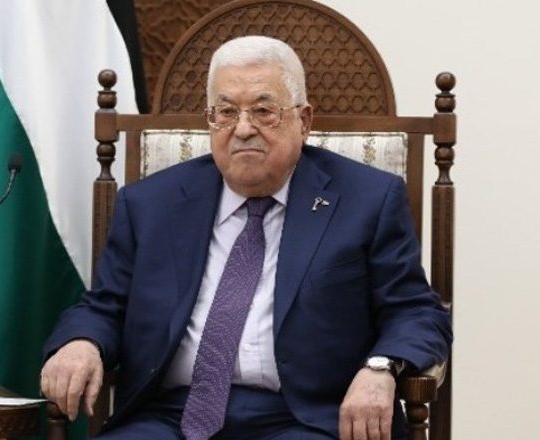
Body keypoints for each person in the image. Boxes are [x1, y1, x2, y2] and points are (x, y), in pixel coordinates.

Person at [41, 36, 452, 440]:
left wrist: (381, 367)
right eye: (225, 112)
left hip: (305, 419)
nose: (242, 129)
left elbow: (416, 311)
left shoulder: (367, 200)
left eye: (263, 111)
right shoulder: (150, 203)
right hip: (168, 416)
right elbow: (105, 305)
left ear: (304, 121)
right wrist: (82, 342)